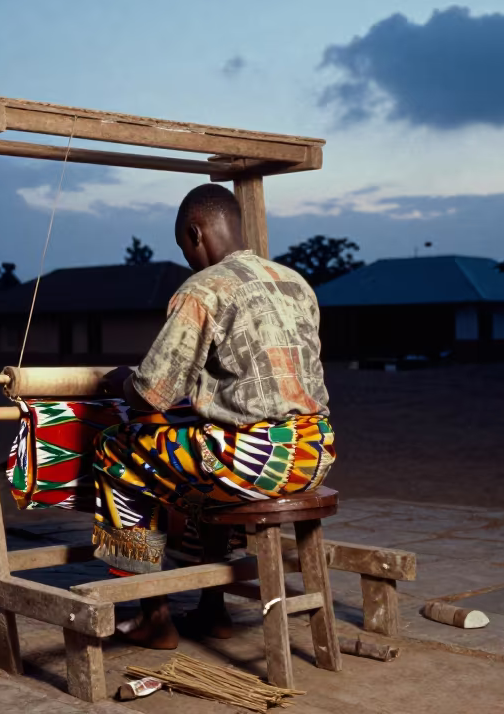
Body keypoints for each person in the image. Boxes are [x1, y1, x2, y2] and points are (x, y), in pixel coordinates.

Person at [88, 183, 336, 649]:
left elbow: (150, 394)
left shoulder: (203, 289)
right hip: (314, 454)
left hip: (254, 464)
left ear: (194, 231)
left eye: (184, 245)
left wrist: (120, 378)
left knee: (115, 450)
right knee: (202, 452)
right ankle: (212, 608)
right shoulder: (294, 283)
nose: (186, 256)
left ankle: (153, 615)